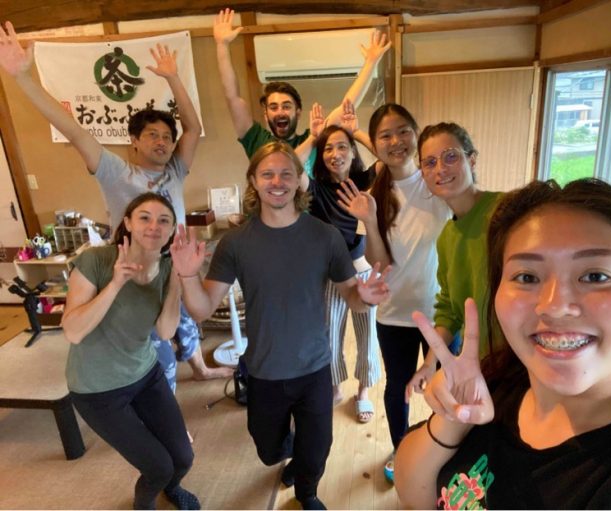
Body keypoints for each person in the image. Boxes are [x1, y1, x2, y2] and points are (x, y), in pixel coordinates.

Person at [394, 179, 611, 509]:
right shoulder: (495, 385)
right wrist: (453, 418)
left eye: (595, 276)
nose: (554, 306)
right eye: (527, 277)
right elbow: (416, 498)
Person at [0, 21, 230, 388]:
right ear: (134, 140)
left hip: (175, 261)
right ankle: (162, 397)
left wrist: (173, 77)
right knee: (154, 342)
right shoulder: (115, 172)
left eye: (166, 136)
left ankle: (200, 369)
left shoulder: (175, 171)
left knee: (184, 320)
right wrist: (23, 78)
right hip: (134, 267)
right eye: (152, 135)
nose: (162, 141)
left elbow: (192, 128)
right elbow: (74, 130)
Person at [170, 141, 391, 510]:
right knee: (268, 450)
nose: (277, 181)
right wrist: (187, 275)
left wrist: (364, 297)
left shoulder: (325, 236)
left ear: (298, 180)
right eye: (268, 174)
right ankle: (291, 453)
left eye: (286, 173)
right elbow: (202, 309)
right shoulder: (236, 242)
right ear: (254, 181)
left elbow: (351, 296)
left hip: (314, 367)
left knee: (317, 449)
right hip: (264, 371)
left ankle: (307, 492)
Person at [62, 193, 199, 510]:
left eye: (163, 220)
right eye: (144, 217)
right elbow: (73, 331)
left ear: (171, 230)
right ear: (127, 223)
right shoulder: (97, 260)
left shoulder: (169, 268)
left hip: (145, 373)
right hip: (97, 389)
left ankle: (172, 488)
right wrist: (116, 284)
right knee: (158, 467)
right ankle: (144, 505)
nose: (154, 226)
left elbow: (165, 332)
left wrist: (177, 281)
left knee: (183, 458)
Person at [337, 104, 451, 482]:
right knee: (398, 388)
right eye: (385, 135)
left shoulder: (437, 182)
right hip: (394, 313)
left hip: (442, 312)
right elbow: (379, 262)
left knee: (445, 387)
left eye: (403, 131)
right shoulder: (373, 195)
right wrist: (369, 221)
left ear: (416, 133)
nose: (396, 141)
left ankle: (443, 450)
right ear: (376, 144)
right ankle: (401, 450)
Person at [212, 7, 391, 164]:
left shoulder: (315, 136)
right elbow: (232, 97)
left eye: (286, 106)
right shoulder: (256, 139)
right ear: (266, 114)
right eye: (273, 107)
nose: (280, 112)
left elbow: (346, 106)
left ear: (297, 112)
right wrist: (222, 45)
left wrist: (370, 63)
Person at [404, 122, 504, 401]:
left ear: (471, 160)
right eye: (430, 162)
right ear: (423, 174)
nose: (440, 169)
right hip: (482, 367)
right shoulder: (447, 238)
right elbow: (449, 310)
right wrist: (428, 364)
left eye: (450, 156)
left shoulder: (505, 212)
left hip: (526, 363)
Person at [299, 100, 380, 421]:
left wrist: (357, 131)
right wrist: (312, 137)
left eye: (342, 146)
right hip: (331, 273)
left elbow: (388, 158)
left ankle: (364, 391)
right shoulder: (315, 189)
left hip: (363, 271)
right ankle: (334, 387)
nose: (335, 153)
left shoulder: (364, 181)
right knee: (330, 334)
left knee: (367, 333)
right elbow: (291, 166)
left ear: (352, 151)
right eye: (328, 148)